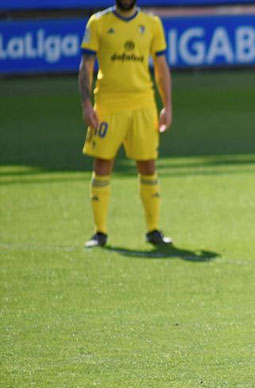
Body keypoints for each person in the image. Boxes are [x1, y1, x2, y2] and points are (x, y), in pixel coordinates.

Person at [80, 0, 173, 248]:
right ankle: (100, 233)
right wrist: (86, 104)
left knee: (148, 165)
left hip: (143, 105)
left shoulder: (152, 23)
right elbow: (86, 66)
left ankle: (153, 230)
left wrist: (167, 105)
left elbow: (161, 67)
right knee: (102, 164)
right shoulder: (98, 23)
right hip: (108, 106)